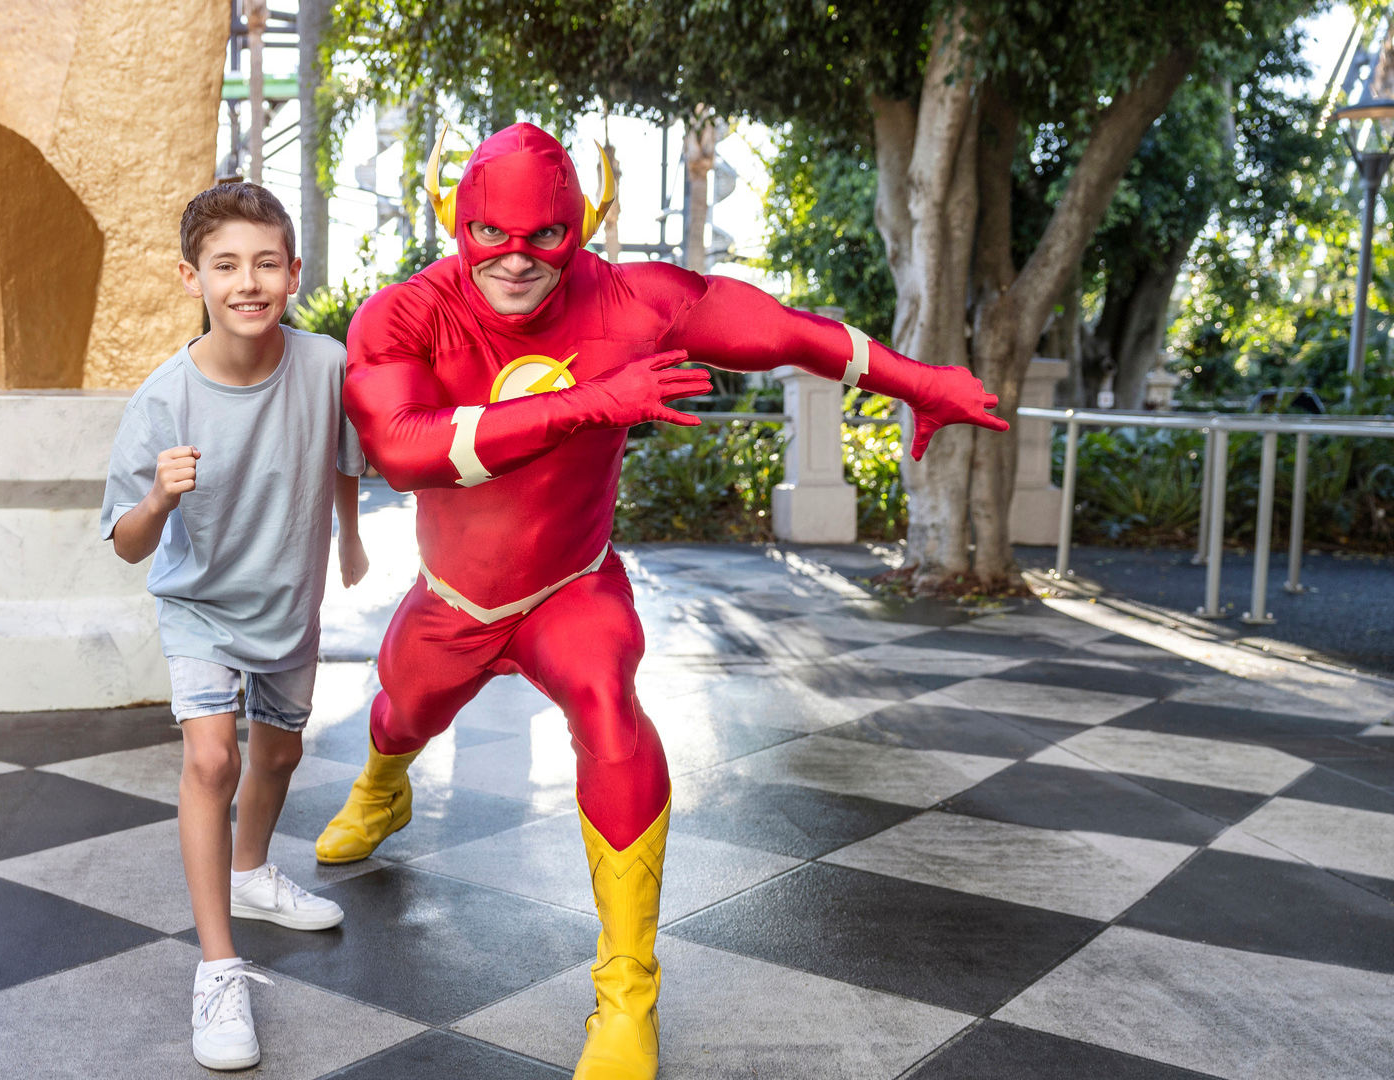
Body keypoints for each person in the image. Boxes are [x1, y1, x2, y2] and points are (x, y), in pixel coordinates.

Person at [314, 123, 1009, 1080]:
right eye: (490, 234)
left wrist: (917, 381)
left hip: (569, 586)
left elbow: (784, 332)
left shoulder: (633, 299)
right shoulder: (403, 314)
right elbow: (404, 450)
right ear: (455, 220)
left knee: (609, 711)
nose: (516, 259)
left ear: (580, 224)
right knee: (404, 711)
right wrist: (591, 402)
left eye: (543, 236)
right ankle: (381, 788)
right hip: (454, 596)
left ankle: (628, 992)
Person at [102, 181, 370, 1072]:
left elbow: (343, 457)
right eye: (225, 265)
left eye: (264, 263)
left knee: (280, 756)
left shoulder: (326, 363)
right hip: (200, 607)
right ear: (193, 279)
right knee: (213, 760)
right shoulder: (163, 400)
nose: (246, 282)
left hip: (288, 600)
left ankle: (251, 871)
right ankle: (218, 969)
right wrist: (157, 497)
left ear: (293, 272)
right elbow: (127, 545)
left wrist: (351, 540)